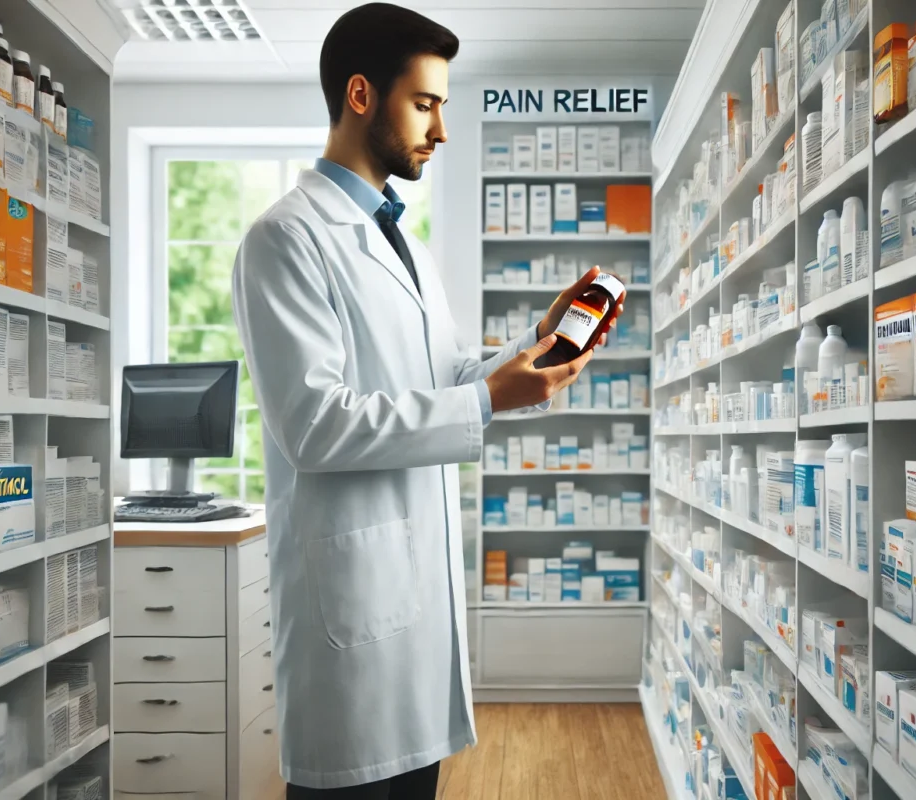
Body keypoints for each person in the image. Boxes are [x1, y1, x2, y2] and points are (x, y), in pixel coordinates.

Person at [231, 3, 623, 797]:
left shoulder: (397, 238)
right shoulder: (285, 238)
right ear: (362, 96)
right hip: (354, 629)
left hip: (413, 619)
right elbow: (315, 425)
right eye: (426, 103)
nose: (440, 131)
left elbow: (438, 371)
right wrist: (484, 404)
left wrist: (534, 343)